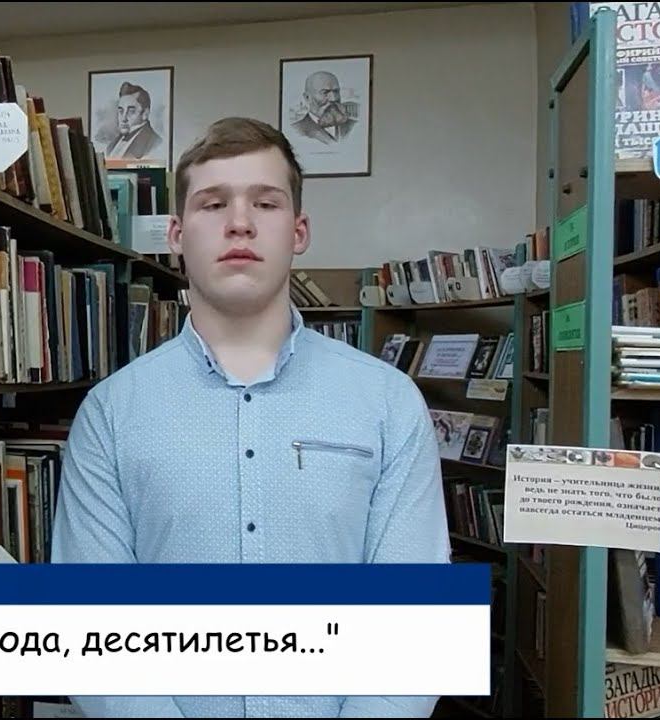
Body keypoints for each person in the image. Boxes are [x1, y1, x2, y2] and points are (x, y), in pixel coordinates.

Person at [49, 116, 450, 718]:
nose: (239, 222)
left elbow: (414, 625)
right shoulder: (110, 414)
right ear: (177, 234)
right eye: (213, 204)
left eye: (265, 202)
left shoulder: (389, 404)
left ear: (299, 231)